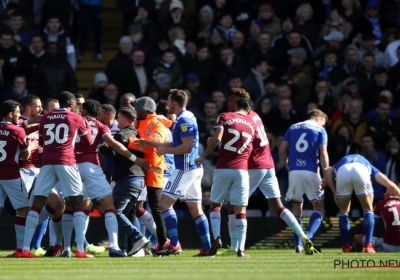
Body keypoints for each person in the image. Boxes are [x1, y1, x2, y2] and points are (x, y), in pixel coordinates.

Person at [220, 88, 316, 255]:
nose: (228, 103)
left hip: (254, 166)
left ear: (238, 101)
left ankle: (235, 247)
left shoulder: (242, 119)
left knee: (234, 205)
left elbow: (244, 145)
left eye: (231, 100)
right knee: (279, 207)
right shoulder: (255, 115)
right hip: (268, 163)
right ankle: (304, 238)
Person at [138, 89, 212, 256]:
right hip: (193, 168)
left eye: (169, 100)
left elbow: (187, 147)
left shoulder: (184, 120)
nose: (167, 103)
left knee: (164, 204)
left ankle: (175, 244)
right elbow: (174, 143)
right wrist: (153, 144)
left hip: (184, 168)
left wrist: (165, 150)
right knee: (195, 208)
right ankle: (208, 247)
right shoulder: (186, 116)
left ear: (175, 103)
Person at [20, 91, 93, 258]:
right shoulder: (75, 117)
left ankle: (24, 249)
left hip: (47, 162)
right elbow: (88, 141)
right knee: (77, 203)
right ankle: (80, 250)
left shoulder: (46, 118)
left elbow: (42, 140)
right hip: (67, 161)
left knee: (37, 203)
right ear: (72, 104)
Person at [76, 100, 151, 257]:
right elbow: (116, 146)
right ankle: (119, 245)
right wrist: (134, 159)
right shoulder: (105, 127)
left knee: (69, 207)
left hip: (71, 166)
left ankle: (72, 248)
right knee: (114, 208)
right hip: (100, 170)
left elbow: (114, 147)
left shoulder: (75, 120)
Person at [195, 95, 256, 258]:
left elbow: (218, 139)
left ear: (235, 106)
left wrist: (204, 155)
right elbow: (248, 149)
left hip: (223, 168)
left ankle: (217, 238)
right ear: (248, 110)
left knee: (215, 204)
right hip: (242, 169)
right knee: (240, 210)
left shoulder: (225, 117)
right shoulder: (251, 124)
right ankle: (241, 250)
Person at [98, 107, 150, 256]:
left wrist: (102, 148)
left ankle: (138, 237)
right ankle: (123, 248)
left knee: (115, 212)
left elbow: (115, 154)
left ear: (125, 120)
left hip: (126, 178)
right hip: (140, 179)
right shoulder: (139, 134)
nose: (117, 121)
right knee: (124, 215)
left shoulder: (120, 136)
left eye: (119, 118)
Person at [324, 154, 400, 253]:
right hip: (361, 171)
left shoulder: (339, 164)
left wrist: (334, 192)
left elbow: (326, 170)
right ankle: (368, 245)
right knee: (368, 210)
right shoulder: (367, 164)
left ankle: (346, 246)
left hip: (343, 171)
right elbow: (391, 185)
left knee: (343, 212)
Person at [279, 109, 329, 253]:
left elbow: (282, 149)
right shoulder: (320, 130)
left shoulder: (293, 127)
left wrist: (288, 165)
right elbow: (323, 152)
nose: (323, 126)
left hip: (294, 171)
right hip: (311, 171)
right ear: (318, 118)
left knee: (296, 210)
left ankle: (299, 245)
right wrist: (326, 172)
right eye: (323, 123)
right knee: (318, 207)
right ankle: (307, 237)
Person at [126, 97, 168, 254]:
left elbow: (155, 142)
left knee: (155, 208)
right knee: (134, 207)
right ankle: (135, 244)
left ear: (146, 110)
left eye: (137, 108)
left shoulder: (157, 124)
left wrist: (129, 142)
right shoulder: (139, 122)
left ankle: (163, 243)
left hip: (153, 171)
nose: (135, 111)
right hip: (138, 170)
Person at [0, 100, 32, 257]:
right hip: (10, 174)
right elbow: (25, 155)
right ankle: (20, 249)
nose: (20, 116)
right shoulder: (18, 131)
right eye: (18, 113)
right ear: (10, 114)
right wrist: (30, 148)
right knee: (23, 210)